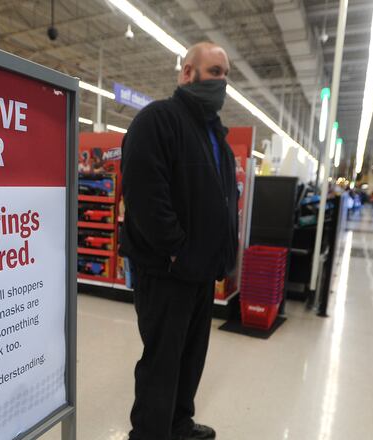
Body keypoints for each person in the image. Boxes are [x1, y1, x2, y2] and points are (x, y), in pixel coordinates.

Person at [120, 41, 238, 440]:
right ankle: (150, 434)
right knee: (162, 361)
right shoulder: (158, 120)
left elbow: (223, 201)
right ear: (188, 73)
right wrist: (176, 250)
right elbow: (144, 195)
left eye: (226, 74)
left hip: (201, 271)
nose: (222, 81)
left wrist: (222, 256)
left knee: (191, 357)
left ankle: (178, 424)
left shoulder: (216, 138)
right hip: (167, 270)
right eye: (215, 72)